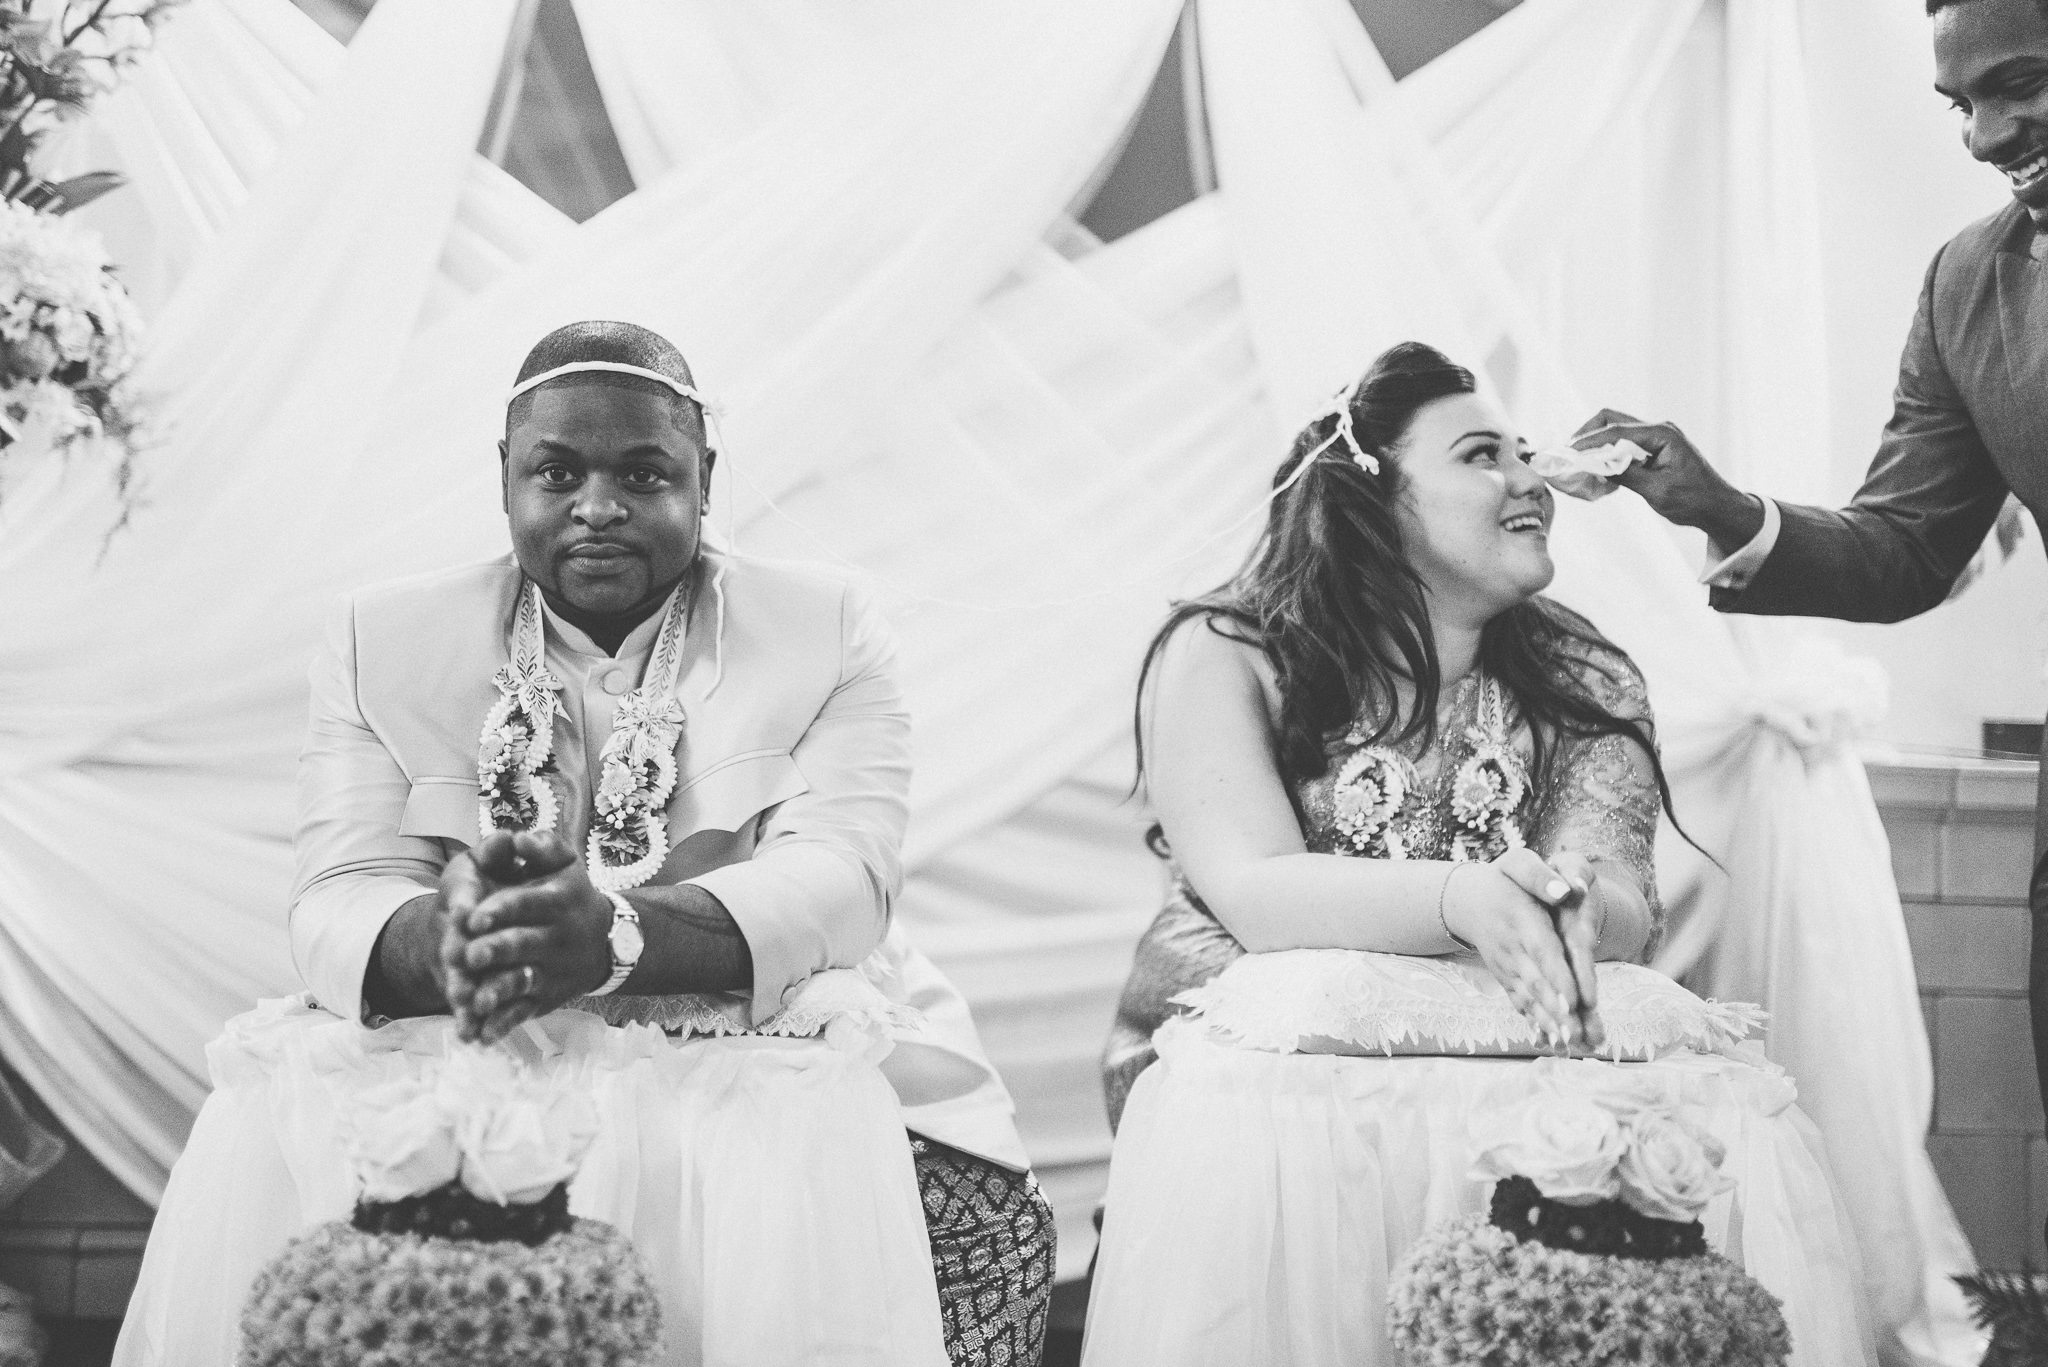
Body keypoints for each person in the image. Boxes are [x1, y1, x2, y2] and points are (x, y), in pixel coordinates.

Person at [115, 321, 1052, 1367]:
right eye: (555, 470)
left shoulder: (823, 621)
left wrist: (610, 934)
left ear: (703, 481)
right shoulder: (380, 635)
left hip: (773, 1026)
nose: (596, 506)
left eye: (644, 473)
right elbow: (339, 891)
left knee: (948, 1215)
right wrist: (461, 937)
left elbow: (841, 877)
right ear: (505, 480)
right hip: (472, 1020)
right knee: (283, 1121)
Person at [1083, 343, 1872, 1365]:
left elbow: (1620, 888)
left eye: (1526, 453)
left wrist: (1575, 904)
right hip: (1266, 1118)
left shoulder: (1582, 671)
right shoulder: (1227, 649)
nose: (1529, 481)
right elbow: (1254, 891)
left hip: (1511, 1117)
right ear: (1370, 496)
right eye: (1480, 454)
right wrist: (1462, 896)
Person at [1568, 0, 2048, 1155]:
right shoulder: (1966, 285)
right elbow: (1905, 545)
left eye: (2017, 81)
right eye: (1960, 103)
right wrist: (1719, 508)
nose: (1983, 134)